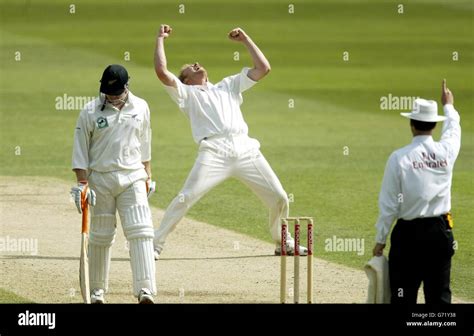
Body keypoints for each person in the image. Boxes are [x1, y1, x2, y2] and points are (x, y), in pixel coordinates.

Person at [153, 24, 307, 260]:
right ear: (185, 81)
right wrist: (160, 38)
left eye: (196, 63)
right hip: (213, 151)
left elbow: (263, 68)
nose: (196, 64)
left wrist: (246, 39)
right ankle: (155, 244)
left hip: (245, 148)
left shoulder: (228, 85)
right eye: (189, 68)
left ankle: (282, 242)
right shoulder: (186, 95)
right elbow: (162, 71)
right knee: (186, 197)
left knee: (280, 197)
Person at [71, 64, 157, 304]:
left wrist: (148, 175)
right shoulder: (89, 111)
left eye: (117, 92)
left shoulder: (141, 107)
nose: (113, 96)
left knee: (141, 231)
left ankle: (145, 290)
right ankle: (97, 291)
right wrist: (81, 183)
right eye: (109, 92)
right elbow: (80, 149)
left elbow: (145, 142)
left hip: (133, 176)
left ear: (127, 86)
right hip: (101, 178)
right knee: (100, 236)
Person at [372, 80, 461, 304]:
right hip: (441, 233)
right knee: (439, 299)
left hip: (408, 237)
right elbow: (454, 130)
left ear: (411, 124)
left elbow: (389, 204)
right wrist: (448, 105)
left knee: (402, 296)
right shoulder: (446, 151)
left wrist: (380, 239)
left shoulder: (399, 157)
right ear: (434, 125)